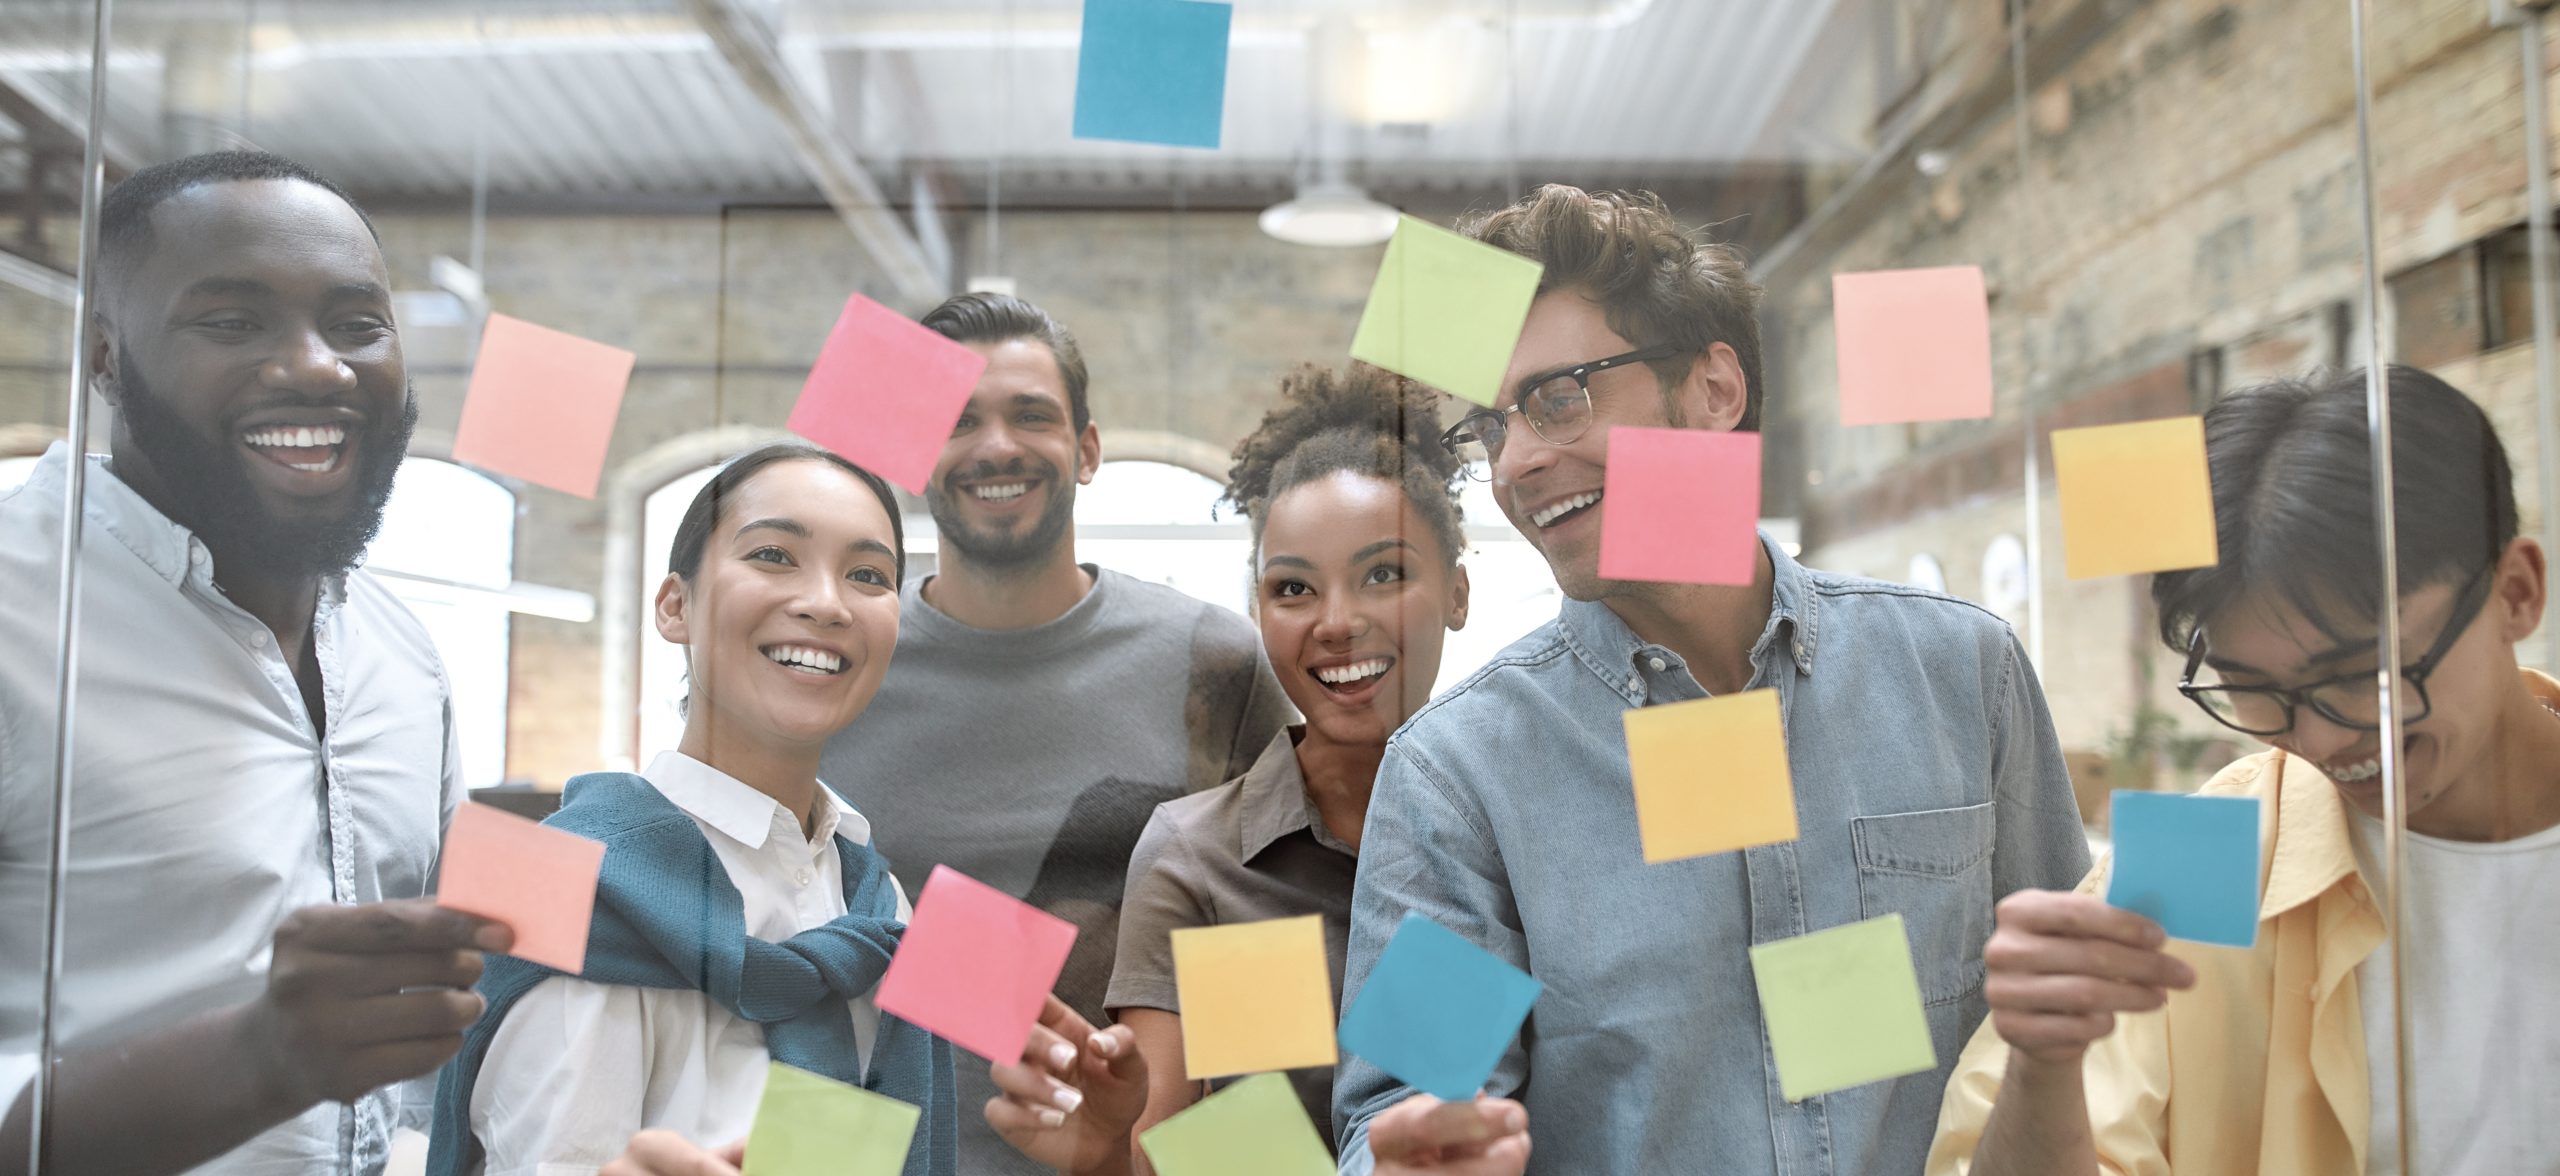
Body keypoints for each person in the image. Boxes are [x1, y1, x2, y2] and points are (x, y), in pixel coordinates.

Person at [1328, 186, 2093, 1175]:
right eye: (1490, 427)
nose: (1517, 460)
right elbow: (1404, 1105)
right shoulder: (1461, 773)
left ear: (1714, 392)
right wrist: (1410, 1159)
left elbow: (2078, 1040)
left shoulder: (1957, 675)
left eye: (1557, 398)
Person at [433, 442, 1150, 1176]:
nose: (827, 603)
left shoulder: (877, 904)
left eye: (868, 575)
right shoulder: (565, 888)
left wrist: (1100, 1158)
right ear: (675, 606)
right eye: (774, 556)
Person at [0, 150, 504, 1176]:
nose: (318, 367)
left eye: (358, 324)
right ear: (105, 359)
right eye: (232, 323)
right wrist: (258, 1059)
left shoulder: (400, 656)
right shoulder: (17, 618)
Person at [1929, 367, 2560, 1176]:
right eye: (2256, 691)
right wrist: (2043, 1065)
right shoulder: (2214, 852)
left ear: (2517, 592)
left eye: (2356, 677)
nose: (2319, 739)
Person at [820, 293, 1293, 1173]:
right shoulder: (843, 661)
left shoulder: (1212, 661)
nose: (997, 445)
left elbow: (1279, 936)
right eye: (960, 421)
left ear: (1087, 449)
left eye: (1031, 415)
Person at [1109, 364, 1530, 1169]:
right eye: (1293, 588)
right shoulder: (1200, 858)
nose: (1337, 623)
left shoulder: (1526, 828)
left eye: (1384, 574)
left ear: (1459, 593)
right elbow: (1149, 1151)